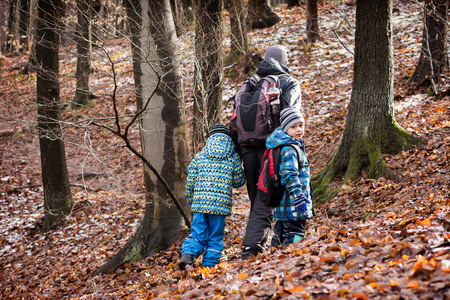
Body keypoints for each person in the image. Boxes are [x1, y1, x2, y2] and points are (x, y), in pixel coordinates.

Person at [241, 45, 302, 259]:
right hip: (272, 147)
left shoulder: (250, 82)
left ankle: (257, 243)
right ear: (284, 62)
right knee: (266, 199)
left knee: (257, 198)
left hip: (247, 149)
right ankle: (253, 248)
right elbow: (291, 115)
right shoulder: (288, 82)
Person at [179, 123, 245, 270]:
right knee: (215, 236)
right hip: (220, 207)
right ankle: (209, 265)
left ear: (209, 138)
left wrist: (192, 201)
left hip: (200, 205)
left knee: (197, 233)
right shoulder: (232, 157)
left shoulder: (200, 157)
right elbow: (239, 182)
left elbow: (190, 182)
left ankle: (188, 257)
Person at [266, 108, 314, 247]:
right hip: (293, 203)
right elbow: (289, 174)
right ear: (286, 129)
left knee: (281, 233)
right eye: (293, 127)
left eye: (301, 125)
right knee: (295, 235)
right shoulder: (289, 149)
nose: (299, 129)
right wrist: (299, 195)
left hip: (285, 204)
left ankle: (274, 259)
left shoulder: (289, 146)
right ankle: (288, 261)